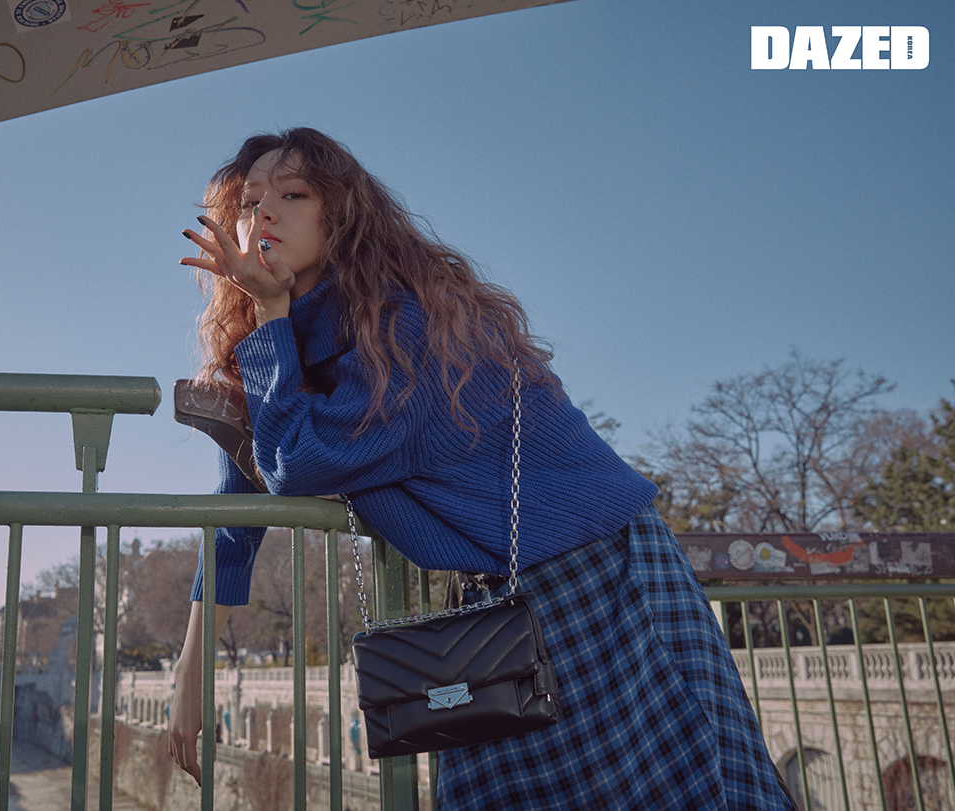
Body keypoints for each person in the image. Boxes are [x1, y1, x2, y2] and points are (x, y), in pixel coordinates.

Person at [168, 127, 795, 810]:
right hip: (504, 599)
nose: (264, 212)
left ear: (340, 215)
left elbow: (294, 463)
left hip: (604, 579)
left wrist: (269, 315)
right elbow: (235, 518)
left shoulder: (407, 322)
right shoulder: (274, 350)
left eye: (293, 195)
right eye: (249, 201)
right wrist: (190, 674)